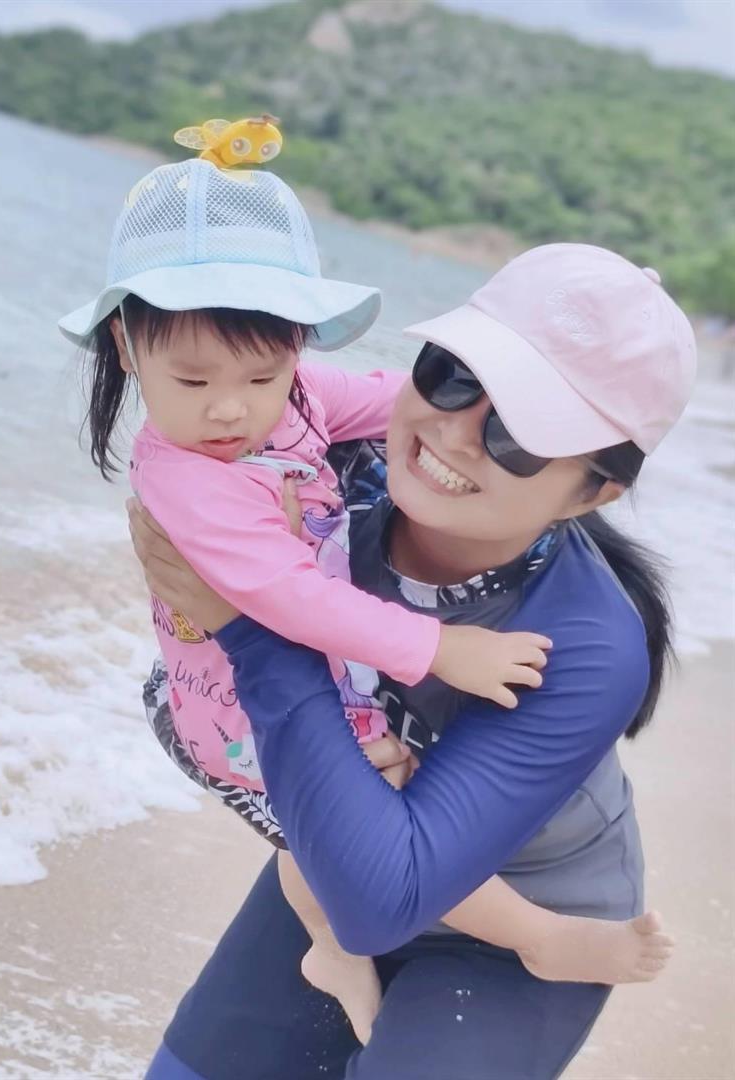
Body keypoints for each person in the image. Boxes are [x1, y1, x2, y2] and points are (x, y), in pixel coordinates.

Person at [61, 156, 666, 1046]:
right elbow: (289, 595)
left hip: (514, 876)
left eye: (520, 433)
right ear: (126, 347)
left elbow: (364, 413)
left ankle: (529, 939)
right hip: (277, 755)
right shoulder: (246, 469)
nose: (453, 434)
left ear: (596, 491)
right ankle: (360, 948)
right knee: (330, 823)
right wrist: (433, 647)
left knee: (343, 823)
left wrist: (243, 626)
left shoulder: (590, 644)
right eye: (450, 376)